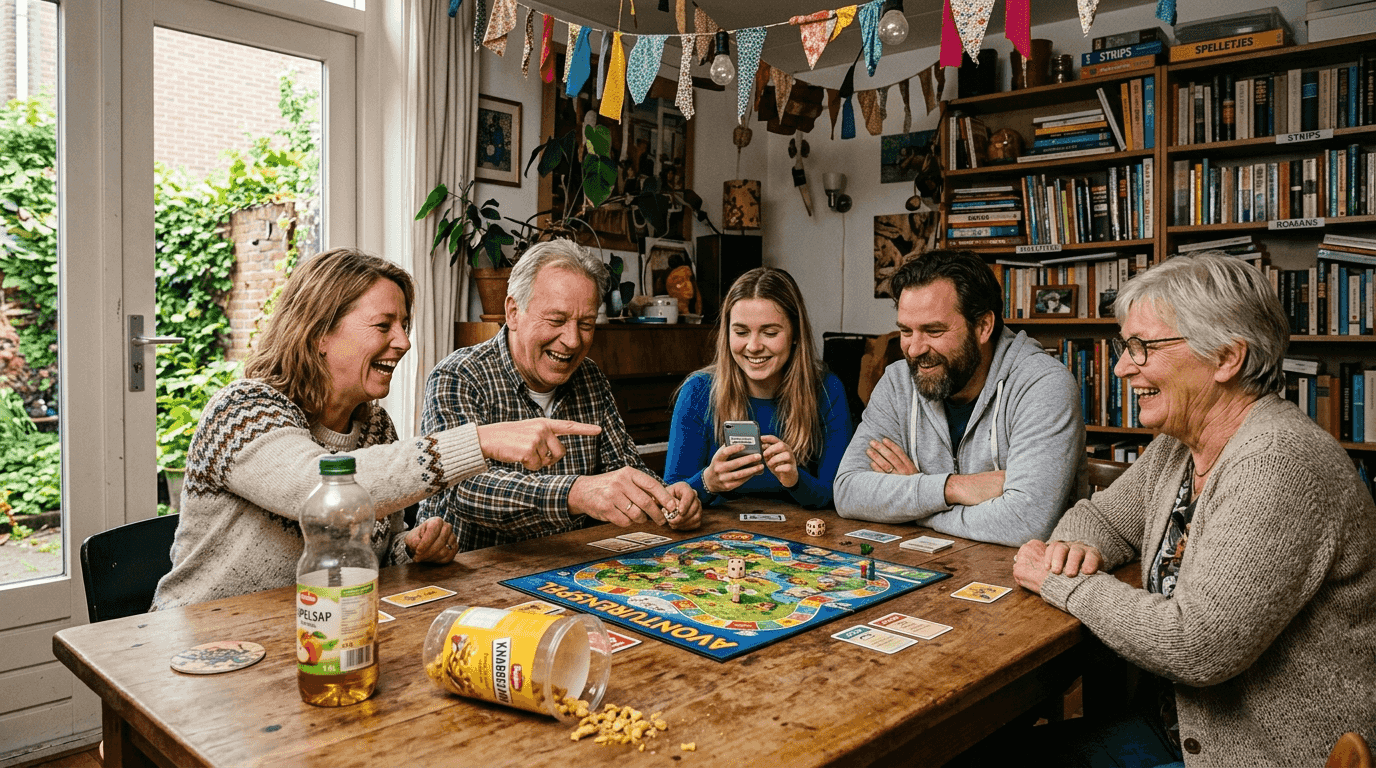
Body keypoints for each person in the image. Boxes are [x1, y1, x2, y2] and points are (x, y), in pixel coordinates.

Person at [1010, 252, 1376, 767]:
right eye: (1124, 347)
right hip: (1177, 729)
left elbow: (1196, 645)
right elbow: (1103, 517)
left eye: (1142, 347)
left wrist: (1061, 583)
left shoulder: (1281, 463)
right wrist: (1074, 547)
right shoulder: (1180, 446)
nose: (1120, 366)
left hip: (1255, 756)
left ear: (1227, 357)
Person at [152, 248, 599, 609]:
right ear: (318, 334)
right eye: (384, 325)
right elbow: (318, 488)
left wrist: (412, 547)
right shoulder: (242, 409)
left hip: (314, 634)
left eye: (404, 325)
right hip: (200, 646)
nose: (404, 341)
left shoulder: (374, 426)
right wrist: (480, 440)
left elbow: (370, 549)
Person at [418, 239, 702, 551]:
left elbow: (623, 465)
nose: (572, 341)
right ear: (513, 311)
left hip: (568, 564)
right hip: (477, 572)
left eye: (586, 324)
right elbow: (463, 489)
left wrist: (668, 499)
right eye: (556, 320)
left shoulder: (590, 376)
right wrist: (577, 492)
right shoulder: (457, 376)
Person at [834, 249, 1085, 547]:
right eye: (906, 331)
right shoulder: (897, 381)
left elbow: (1025, 523)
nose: (914, 349)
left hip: (1026, 581)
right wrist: (951, 489)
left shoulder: (1043, 385)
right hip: (933, 569)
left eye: (933, 330)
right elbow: (848, 492)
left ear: (983, 327)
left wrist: (913, 504)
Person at [664, 267, 852, 509]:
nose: (753, 346)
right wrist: (708, 482)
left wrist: (796, 480)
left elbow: (837, 495)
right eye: (741, 332)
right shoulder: (697, 391)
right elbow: (673, 496)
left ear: (795, 333)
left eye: (770, 332)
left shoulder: (828, 390)